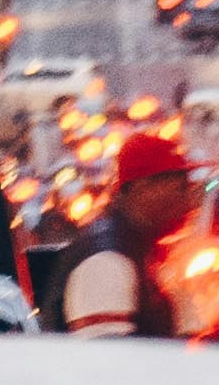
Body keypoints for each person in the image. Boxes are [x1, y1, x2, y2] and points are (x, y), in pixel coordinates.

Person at [57, 124, 194, 334]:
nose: (187, 200)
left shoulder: (136, 248)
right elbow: (109, 358)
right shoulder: (106, 260)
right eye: (180, 188)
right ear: (143, 190)